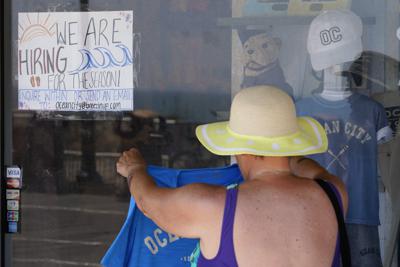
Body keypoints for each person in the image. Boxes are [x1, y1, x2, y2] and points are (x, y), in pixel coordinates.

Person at [116, 85, 348, 267]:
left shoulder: (213, 206)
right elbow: (310, 168)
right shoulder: (333, 193)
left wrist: (134, 169)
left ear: (241, 148)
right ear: (289, 145)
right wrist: (286, 152)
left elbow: (148, 202)